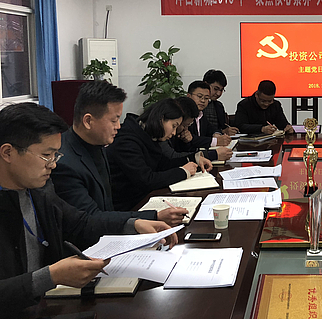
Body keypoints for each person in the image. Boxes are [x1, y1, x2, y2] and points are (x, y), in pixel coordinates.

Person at [0, 103, 177, 316]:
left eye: (56, 155)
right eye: (47, 155)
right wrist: (51, 276)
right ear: (8, 153)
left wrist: (134, 224)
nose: (53, 165)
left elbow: (81, 223)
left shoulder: (38, 190)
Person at [52, 81, 189, 226]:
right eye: (114, 120)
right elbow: (89, 219)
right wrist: (153, 217)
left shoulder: (96, 144)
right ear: (88, 121)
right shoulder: (64, 163)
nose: (118, 126)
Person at [107, 98, 211, 211]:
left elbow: (164, 164)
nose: (174, 133)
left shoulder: (147, 134)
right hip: (129, 207)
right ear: (161, 119)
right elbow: (147, 180)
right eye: (174, 126)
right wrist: (183, 172)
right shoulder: (127, 141)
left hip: (145, 198)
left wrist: (194, 159)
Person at [186, 81, 233, 160]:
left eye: (206, 98)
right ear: (189, 96)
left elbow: (211, 129)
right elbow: (191, 139)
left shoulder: (201, 114)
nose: (203, 100)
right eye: (199, 96)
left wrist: (217, 134)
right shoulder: (184, 116)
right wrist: (215, 141)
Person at [202, 69, 239, 136]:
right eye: (216, 89)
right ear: (206, 84)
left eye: (221, 90)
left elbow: (222, 126)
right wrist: (222, 131)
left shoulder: (219, 106)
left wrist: (228, 130)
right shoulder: (197, 104)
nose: (218, 93)